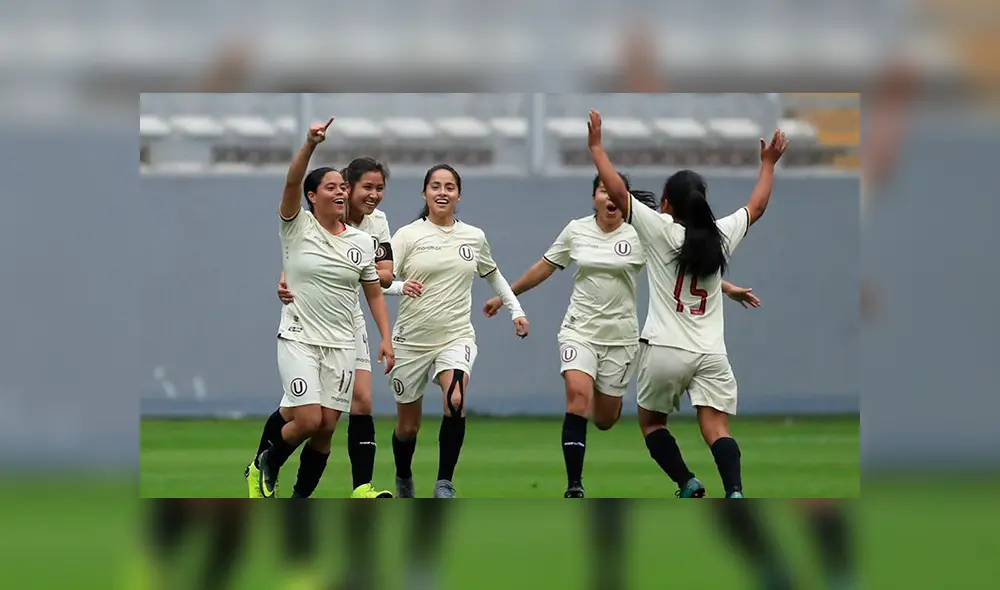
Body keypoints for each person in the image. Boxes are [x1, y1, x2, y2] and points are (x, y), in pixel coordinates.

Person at [483, 177, 760, 498]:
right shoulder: (576, 230)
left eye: (612, 191)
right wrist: (507, 297)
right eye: (602, 191)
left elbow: (681, 269)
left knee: (604, 419)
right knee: (577, 396)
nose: (608, 197)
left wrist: (726, 288)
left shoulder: (640, 232)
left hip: (621, 338)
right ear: (594, 198)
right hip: (579, 331)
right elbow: (543, 267)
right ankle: (575, 486)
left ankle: (681, 476)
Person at [588, 109, 788, 498]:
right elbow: (757, 206)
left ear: (666, 203)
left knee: (652, 424)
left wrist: (597, 147)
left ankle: (687, 482)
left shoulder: (659, 229)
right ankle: (734, 491)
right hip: (711, 353)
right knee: (717, 429)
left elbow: (618, 193)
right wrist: (768, 164)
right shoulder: (721, 235)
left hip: (664, 348)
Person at [245, 116, 395, 499]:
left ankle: (300, 498)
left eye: (342, 187)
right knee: (309, 419)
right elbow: (292, 182)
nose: (341, 192)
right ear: (312, 196)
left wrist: (386, 337)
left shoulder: (361, 241)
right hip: (299, 337)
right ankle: (264, 464)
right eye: (331, 187)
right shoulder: (297, 225)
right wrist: (310, 144)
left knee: (327, 426)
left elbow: (374, 291)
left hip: (342, 342)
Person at [276, 155, 422, 498]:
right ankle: (263, 464)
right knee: (304, 414)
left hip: (348, 318)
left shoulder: (374, 225)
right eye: (366, 187)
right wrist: (288, 276)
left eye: (380, 188)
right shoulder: (323, 216)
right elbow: (299, 253)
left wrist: (373, 278)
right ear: (348, 187)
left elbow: (384, 275)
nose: (374, 195)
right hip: (311, 318)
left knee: (356, 405)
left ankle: (360, 488)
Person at [389, 164, 529, 498]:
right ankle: (404, 477)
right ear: (424, 193)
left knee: (455, 399)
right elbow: (378, 280)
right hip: (411, 341)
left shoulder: (474, 237)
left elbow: (493, 275)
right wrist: (401, 287)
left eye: (449, 187)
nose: (442, 192)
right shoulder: (407, 235)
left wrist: (516, 311)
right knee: (408, 426)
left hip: (455, 336)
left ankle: (444, 483)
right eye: (435, 186)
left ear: (458, 195)